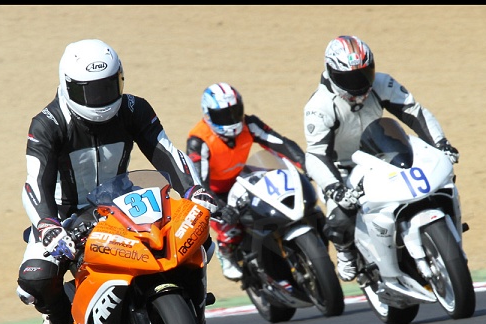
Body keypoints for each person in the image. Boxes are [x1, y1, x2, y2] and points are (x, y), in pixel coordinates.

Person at [16, 39, 218, 324]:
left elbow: (165, 151)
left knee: (197, 237)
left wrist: (194, 190)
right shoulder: (48, 124)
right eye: (91, 92)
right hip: (65, 216)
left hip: (121, 200)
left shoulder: (134, 108)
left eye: (109, 87)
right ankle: (56, 319)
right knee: (36, 277)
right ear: (68, 86)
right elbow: (34, 183)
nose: (101, 100)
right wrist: (47, 224)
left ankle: (192, 313)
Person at [303, 35, 460, 282]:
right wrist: (335, 188)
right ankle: (345, 252)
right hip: (343, 169)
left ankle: (444, 232)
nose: (359, 84)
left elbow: (413, 112)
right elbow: (315, 154)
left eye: (364, 74)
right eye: (350, 78)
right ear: (332, 73)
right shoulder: (320, 106)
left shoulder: (382, 83)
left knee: (436, 179)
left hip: (383, 153)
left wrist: (441, 144)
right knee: (340, 219)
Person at [186, 82, 306, 281]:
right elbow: (199, 182)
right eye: (223, 115)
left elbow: (280, 142)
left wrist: (305, 163)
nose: (231, 120)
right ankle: (226, 252)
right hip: (216, 193)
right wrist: (220, 207)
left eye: (234, 112)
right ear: (208, 115)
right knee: (230, 229)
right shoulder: (199, 140)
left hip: (244, 179)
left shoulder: (249, 124)